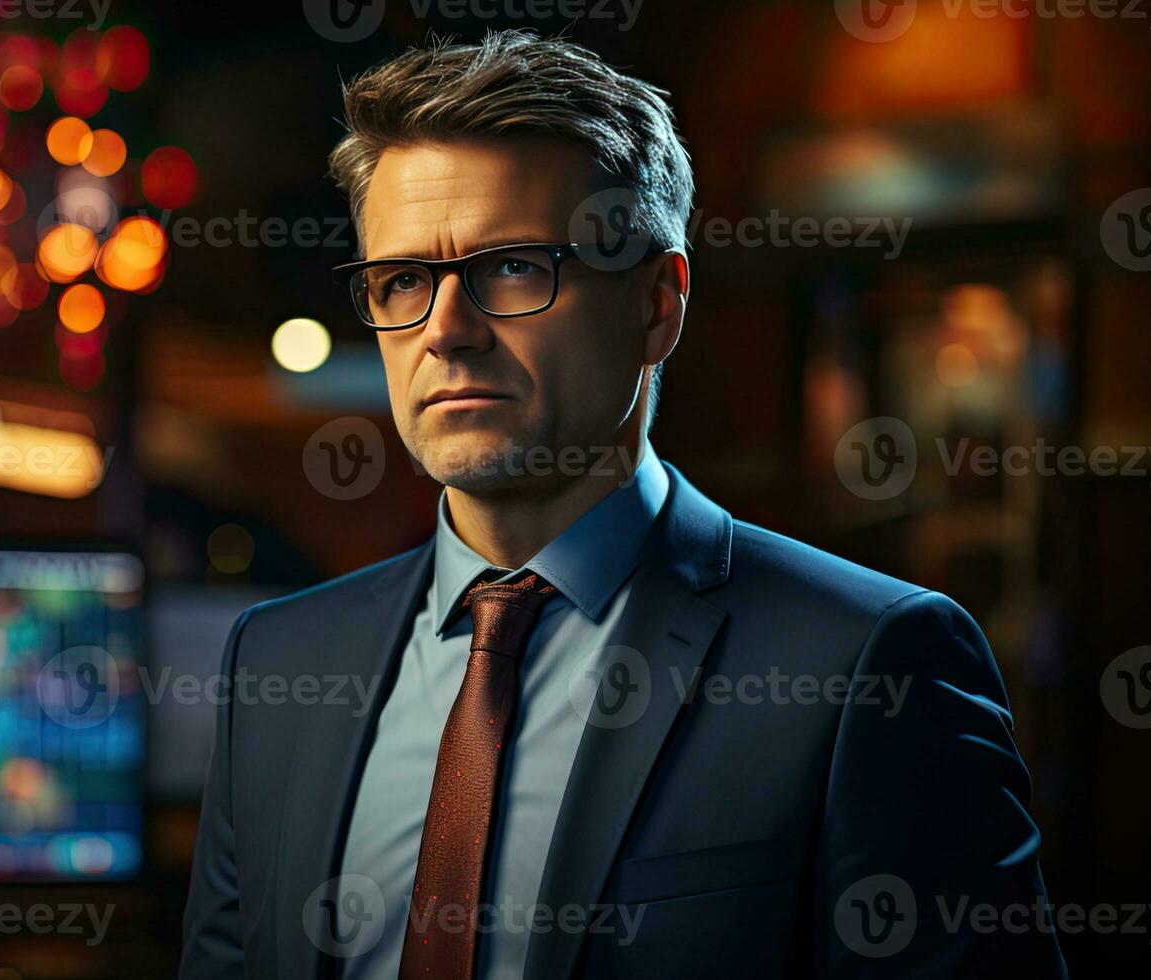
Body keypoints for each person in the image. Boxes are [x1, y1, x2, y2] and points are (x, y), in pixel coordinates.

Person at [181, 30, 1066, 979]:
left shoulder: (865, 663)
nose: (443, 332)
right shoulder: (279, 662)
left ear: (655, 304)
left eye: (512, 267)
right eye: (402, 280)